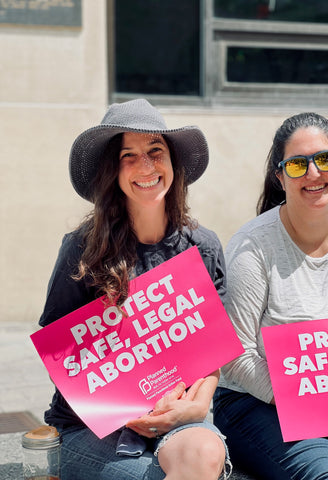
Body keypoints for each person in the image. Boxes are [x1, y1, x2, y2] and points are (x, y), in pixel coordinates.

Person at [39, 99, 231, 480]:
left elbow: (214, 348)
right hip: (95, 428)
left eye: (155, 151)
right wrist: (127, 406)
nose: (146, 167)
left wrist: (197, 406)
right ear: (113, 171)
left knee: (206, 454)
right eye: (129, 155)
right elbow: (59, 351)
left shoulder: (201, 247)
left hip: (178, 418)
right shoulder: (81, 249)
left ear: (173, 162)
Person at [213, 112, 328, 480]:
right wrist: (326, 414)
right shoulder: (252, 247)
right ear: (280, 177)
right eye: (297, 165)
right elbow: (235, 355)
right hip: (256, 402)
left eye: (325, 159)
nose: (313, 173)